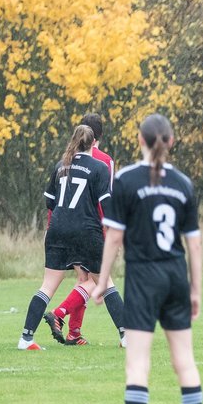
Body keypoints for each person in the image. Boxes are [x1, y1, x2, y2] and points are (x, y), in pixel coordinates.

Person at [92, 114, 203, 404]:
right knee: (184, 361)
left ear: (139, 140)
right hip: (174, 275)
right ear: (170, 142)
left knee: (138, 363)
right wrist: (195, 290)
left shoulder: (126, 179)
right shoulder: (183, 184)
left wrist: (100, 282)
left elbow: (114, 237)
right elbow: (195, 246)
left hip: (143, 277)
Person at [17, 125, 112, 350]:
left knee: (49, 286)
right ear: (94, 142)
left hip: (58, 229)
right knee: (102, 282)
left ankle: (27, 337)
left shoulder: (61, 166)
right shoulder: (102, 163)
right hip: (88, 230)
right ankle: (125, 335)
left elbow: (49, 202)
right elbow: (107, 205)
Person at [45, 112, 126, 346]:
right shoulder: (104, 161)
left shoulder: (68, 159)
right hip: (93, 228)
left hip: (64, 226)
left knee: (84, 280)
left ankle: (74, 332)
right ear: (99, 135)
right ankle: (60, 315)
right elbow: (106, 198)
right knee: (98, 280)